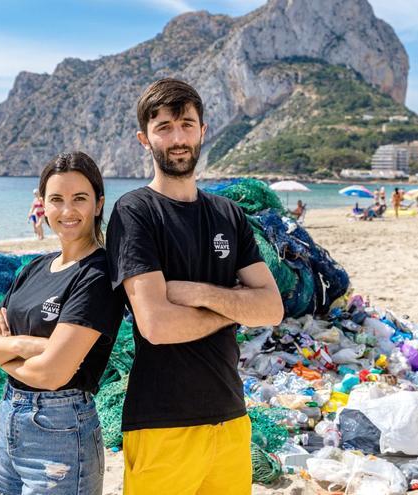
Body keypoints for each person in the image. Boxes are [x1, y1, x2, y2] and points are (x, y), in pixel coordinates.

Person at [106, 78, 283, 494]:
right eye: (163, 127)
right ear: (144, 139)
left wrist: (200, 294)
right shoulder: (135, 212)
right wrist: (235, 307)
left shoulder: (228, 215)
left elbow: (272, 309)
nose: (177, 137)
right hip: (162, 423)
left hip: (232, 418)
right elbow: (157, 327)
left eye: (186, 124)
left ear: (203, 131)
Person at [0, 151, 125, 495]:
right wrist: (25, 346)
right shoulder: (34, 269)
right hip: (8, 419)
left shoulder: (98, 276)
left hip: (61, 430)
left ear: (98, 204)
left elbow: (52, 374)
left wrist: (2, 357)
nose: (67, 211)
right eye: (56, 199)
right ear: (43, 205)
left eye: (79, 199)